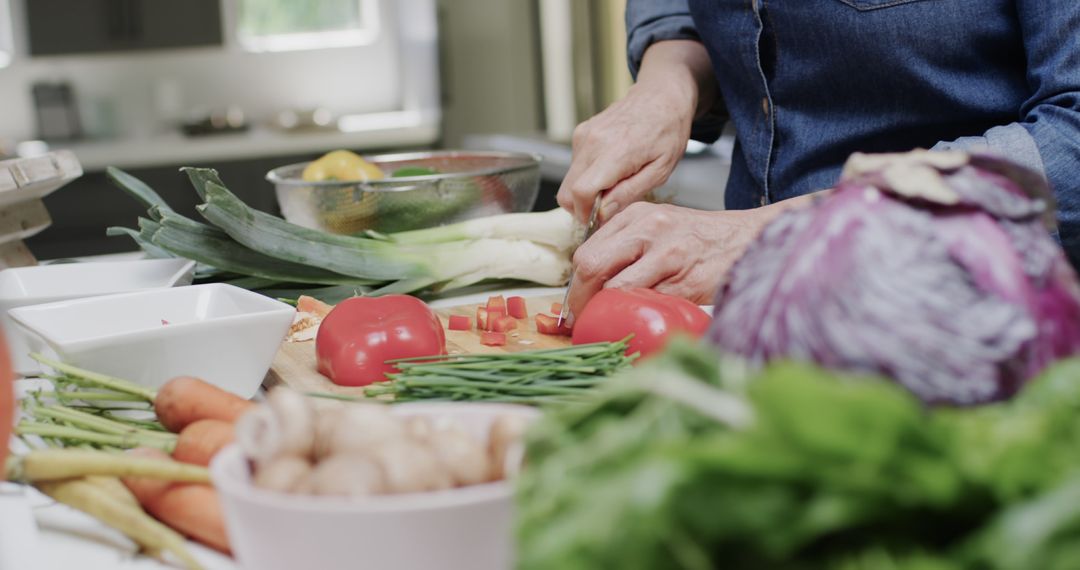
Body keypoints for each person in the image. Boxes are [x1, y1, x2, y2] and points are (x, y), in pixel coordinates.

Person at [558, 0, 1080, 321]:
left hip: (985, 329)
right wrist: (670, 79)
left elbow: (1071, 140)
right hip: (743, 324)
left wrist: (771, 238)